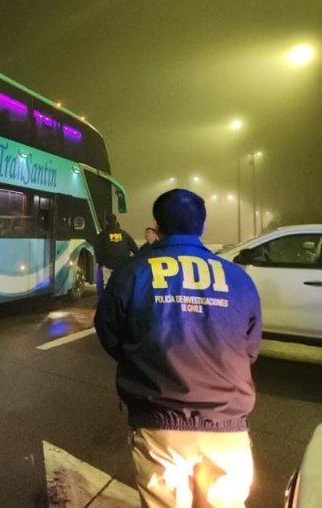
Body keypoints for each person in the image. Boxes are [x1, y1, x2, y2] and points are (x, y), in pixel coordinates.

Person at [94, 188, 262, 508]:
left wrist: (142, 361)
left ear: (158, 226)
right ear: (202, 225)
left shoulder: (133, 273)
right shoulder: (238, 278)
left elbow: (110, 335)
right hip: (228, 424)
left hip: (159, 423)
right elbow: (250, 348)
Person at [93, 213, 139, 296]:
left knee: (107, 285)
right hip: (123, 264)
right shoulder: (124, 234)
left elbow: (97, 248)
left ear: (106, 222)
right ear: (115, 221)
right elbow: (134, 248)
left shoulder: (103, 234)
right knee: (122, 284)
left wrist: (101, 261)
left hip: (108, 264)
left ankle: (109, 304)